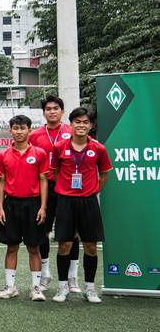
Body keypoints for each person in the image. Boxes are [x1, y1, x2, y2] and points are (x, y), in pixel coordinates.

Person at [51, 107, 112, 304]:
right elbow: (56, 172)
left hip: (88, 201)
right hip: (66, 201)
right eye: (77, 121)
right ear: (71, 124)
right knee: (65, 245)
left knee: (91, 246)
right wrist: (65, 188)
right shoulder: (60, 146)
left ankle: (90, 289)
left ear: (91, 126)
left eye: (85, 122)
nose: (81, 125)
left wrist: (93, 190)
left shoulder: (98, 149)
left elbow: (104, 174)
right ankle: (62, 288)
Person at [0, 115, 49, 301]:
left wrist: (43, 207)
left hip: (33, 204)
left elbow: (43, 181)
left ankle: (36, 288)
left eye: (22, 128)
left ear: (29, 130)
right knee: (12, 247)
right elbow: (1, 182)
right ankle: (10, 287)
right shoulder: (2, 155)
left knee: (34, 248)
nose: (19, 132)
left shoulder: (40, 154)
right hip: (11, 205)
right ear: (10, 131)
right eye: (15, 128)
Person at [28, 94, 78, 290]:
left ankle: (72, 277)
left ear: (62, 111)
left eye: (56, 108)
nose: (52, 112)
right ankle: (45, 274)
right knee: (43, 229)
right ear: (44, 113)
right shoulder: (34, 136)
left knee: (71, 232)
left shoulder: (73, 131)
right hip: (44, 187)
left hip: (67, 188)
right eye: (48, 109)